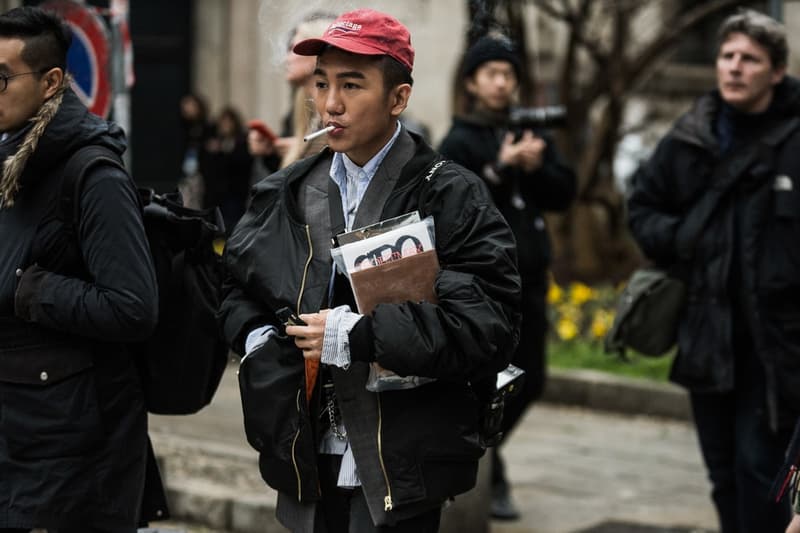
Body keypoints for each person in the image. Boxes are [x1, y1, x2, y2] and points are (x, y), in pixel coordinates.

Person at [219, 8, 521, 532]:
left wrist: (359, 335)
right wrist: (257, 340)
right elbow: (233, 283)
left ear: (397, 98)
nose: (330, 104)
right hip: (306, 454)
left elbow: (487, 324)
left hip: (401, 463)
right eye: (322, 83)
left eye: (352, 85)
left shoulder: (449, 193)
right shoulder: (289, 190)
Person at [627, 9, 800, 532]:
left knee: (761, 474)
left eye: (750, 59)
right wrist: (682, 237)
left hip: (776, 347)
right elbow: (643, 208)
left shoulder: (794, 141)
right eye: (727, 56)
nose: (735, 67)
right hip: (706, 336)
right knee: (722, 475)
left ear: (777, 71)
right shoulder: (692, 135)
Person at [0, 6, 162, 533]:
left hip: (73, 453)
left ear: (50, 82)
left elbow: (133, 307)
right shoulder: (11, 159)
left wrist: (32, 289)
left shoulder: (93, 174)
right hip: (20, 434)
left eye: (1, 79)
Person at [438, 34, 576, 520]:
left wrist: (536, 168)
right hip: (482, 284)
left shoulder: (530, 132)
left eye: (508, 74)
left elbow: (564, 193)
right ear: (472, 83)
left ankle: (484, 452)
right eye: (491, 73)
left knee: (530, 380)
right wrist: (500, 168)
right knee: (487, 379)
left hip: (530, 279)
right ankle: (487, 473)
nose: (501, 83)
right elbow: (453, 203)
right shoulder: (460, 139)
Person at [247, 12, 335, 176]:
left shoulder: (336, 111)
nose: (286, 59)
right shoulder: (300, 108)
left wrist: (304, 153)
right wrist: (273, 153)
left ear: (314, 52)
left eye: (292, 49)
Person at [202, 105, 252, 231]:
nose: (226, 125)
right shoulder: (215, 141)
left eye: (229, 122)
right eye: (223, 122)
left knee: (232, 226)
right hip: (217, 194)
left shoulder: (241, 141)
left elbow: (243, 163)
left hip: (235, 193)